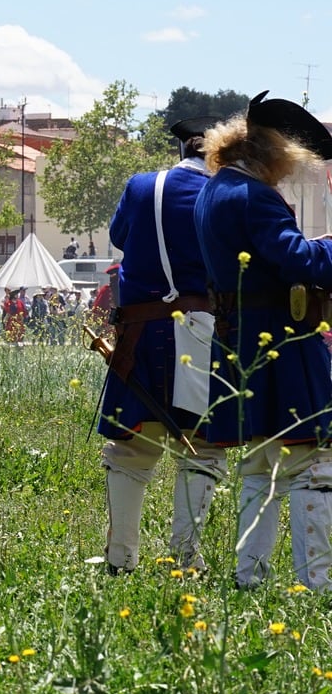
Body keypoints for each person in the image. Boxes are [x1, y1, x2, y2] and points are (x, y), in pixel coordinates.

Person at [194, 93, 332, 590]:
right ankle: (315, 584)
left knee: (259, 466)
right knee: (311, 464)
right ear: (272, 153)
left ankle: (249, 578)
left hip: (241, 337)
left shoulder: (216, 189)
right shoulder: (254, 196)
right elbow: (297, 260)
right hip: (282, 341)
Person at [96, 117, 226, 572]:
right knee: (203, 448)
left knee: (131, 450)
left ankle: (120, 559)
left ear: (181, 152)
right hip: (206, 330)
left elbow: (119, 237)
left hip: (142, 330)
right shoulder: (228, 193)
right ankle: (185, 559)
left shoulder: (141, 186)